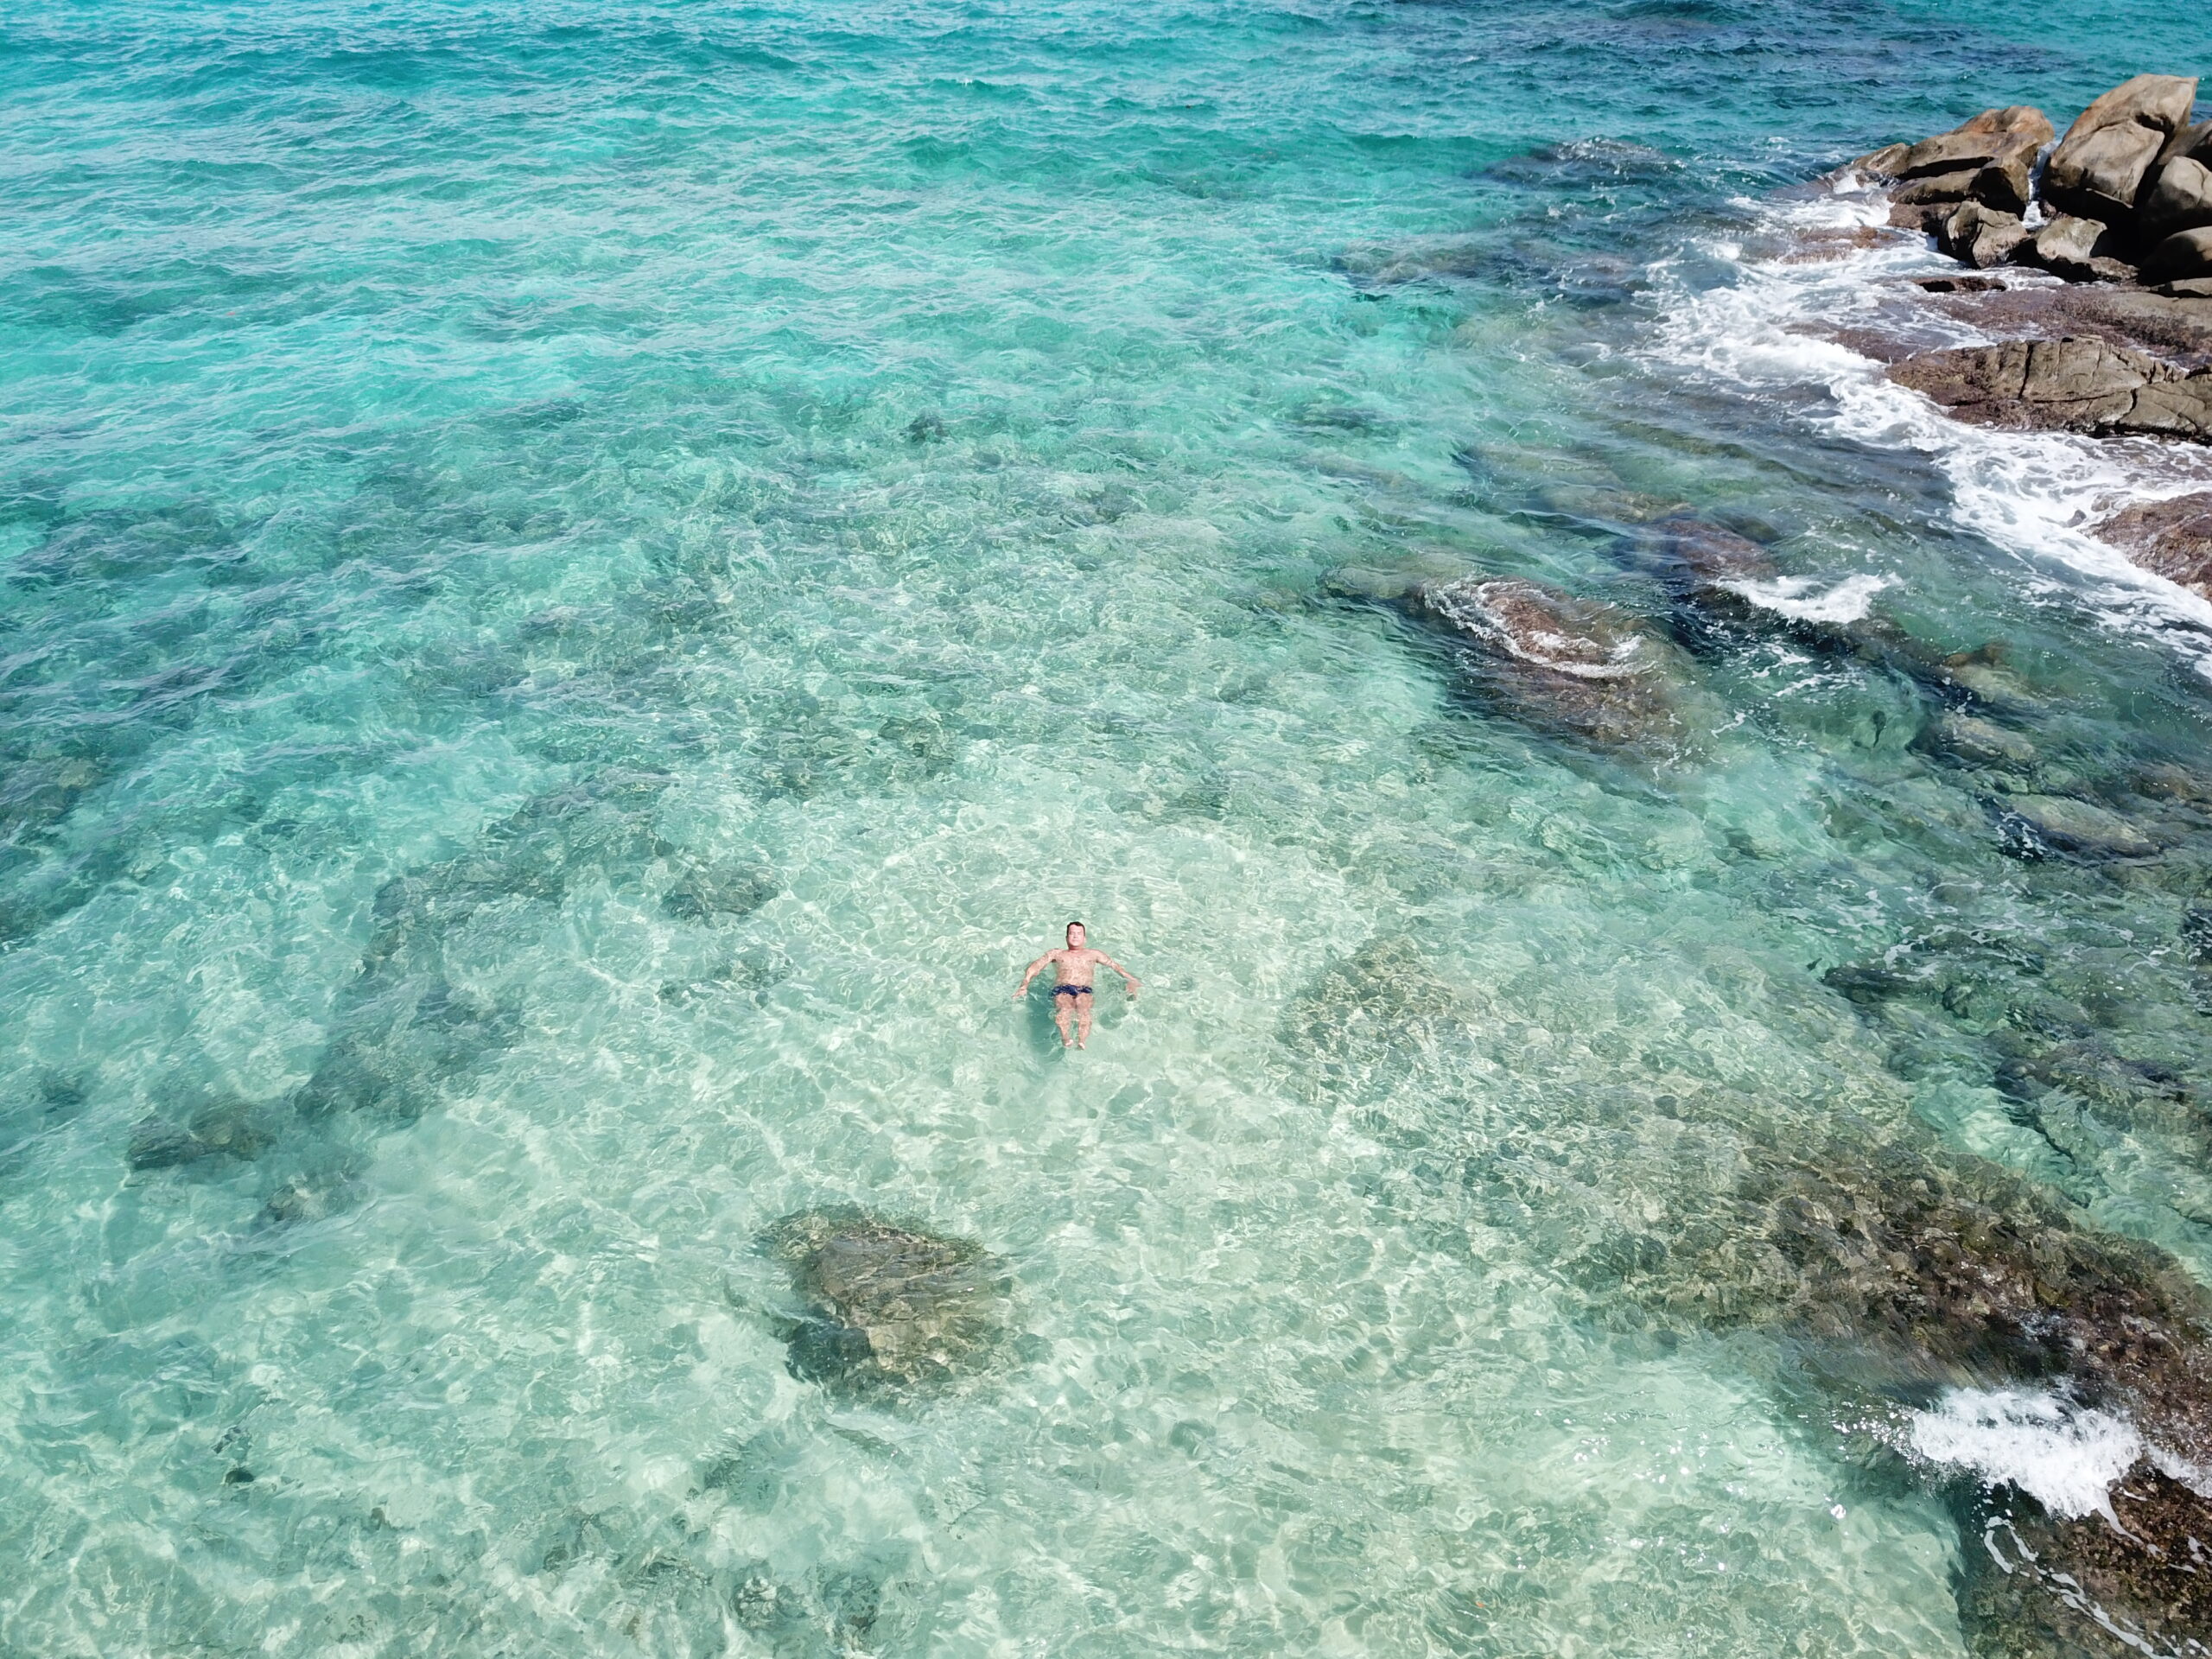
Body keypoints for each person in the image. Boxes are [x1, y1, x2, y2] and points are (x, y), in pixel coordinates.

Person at [1015, 921, 1140, 1049]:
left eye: (1079, 933)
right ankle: (1066, 1038)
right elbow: (1035, 967)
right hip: (1062, 989)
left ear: (1084, 938)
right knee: (1065, 1008)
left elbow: (1115, 967)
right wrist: (1024, 984)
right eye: (1071, 933)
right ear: (1066, 938)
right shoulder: (1056, 953)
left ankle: (1082, 1040)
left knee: (1084, 1008)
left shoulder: (1094, 954)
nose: (1075, 936)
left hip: (1085, 990)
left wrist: (1132, 980)